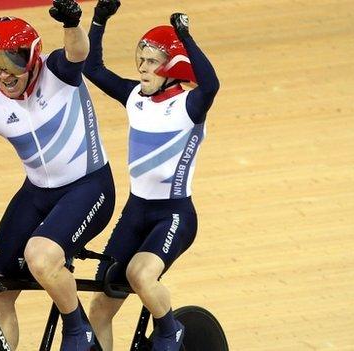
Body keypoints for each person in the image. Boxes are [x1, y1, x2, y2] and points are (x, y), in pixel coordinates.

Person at [0, 1, 115, 350]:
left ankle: (77, 330)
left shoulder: (57, 70)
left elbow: (78, 51)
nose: (4, 74)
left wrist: (72, 23)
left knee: (40, 257)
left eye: (12, 62)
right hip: (37, 195)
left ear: (32, 56)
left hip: (89, 188)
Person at [82, 1, 220, 350]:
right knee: (100, 305)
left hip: (173, 215)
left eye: (152, 62)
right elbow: (92, 67)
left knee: (140, 274)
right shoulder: (133, 96)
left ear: (173, 66)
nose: (143, 67)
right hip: (135, 213)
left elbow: (212, 84)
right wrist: (99, 21)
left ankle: (170, 330)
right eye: (140, 59)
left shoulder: (190, 105)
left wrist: (185, 36)